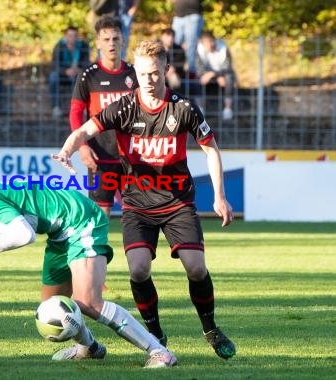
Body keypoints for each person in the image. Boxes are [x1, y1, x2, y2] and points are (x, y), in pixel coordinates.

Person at [52, 39, 237, 360]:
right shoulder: (124, 107)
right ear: (134, 72)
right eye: (142, 74)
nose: (148, 80)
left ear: (165, 70)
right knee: (138, 270)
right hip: (137, 206)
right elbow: (85, 130)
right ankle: (155, 333)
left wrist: (220, 196)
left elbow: (211, 149)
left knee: (196, 268)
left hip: (178, 203)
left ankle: (210, 328)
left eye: (154, 73)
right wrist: (68, 150)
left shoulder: (183, 107)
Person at [0, 186, 177, 368]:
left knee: (87, 301)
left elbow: (23, 234)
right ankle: (89, 348)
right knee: (52, 306)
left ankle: (159, 351)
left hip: (78, 220)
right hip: (58, 233)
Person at [70, 15, 137, 217]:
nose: (111, 44)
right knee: (100, 215)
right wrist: (82, 146)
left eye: (116, 39)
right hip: (100, 156)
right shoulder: (89, 75)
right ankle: (98, 250)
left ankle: (139, 250)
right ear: (98, 43)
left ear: (123, 40)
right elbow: (75, 113)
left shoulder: (136, 74)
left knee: (137, 215)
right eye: (106, 39)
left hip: (132, 157)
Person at [49, 26, 90, 119]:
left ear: (77, 37)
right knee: (53, 77)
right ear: (66, 36)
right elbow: (54, 64)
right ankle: (56, 107)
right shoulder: (59, 46)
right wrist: (65, 71)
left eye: (75, 35)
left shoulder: (83, 46)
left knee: (86, 78)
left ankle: (84, 108)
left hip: (78, 73)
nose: (72, 38)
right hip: (63, 74)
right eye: (70, 35)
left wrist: (79, 70)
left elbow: (87, 63)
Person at [196, 31, 236, 120]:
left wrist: (215, 74)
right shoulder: (199, 50)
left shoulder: (223, 48)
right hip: (207, 75)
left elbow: (228, 67)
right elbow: (199, 69)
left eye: (211, 41)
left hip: (222, 74)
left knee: (229, 78)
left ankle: (228, 108)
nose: (210, 44)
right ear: (202, 43)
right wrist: (210, 75)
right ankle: (200, 108)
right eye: (207, 42)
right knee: (198, 79)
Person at [169, 0, 204, 77]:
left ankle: (191, 77)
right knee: (173, 45)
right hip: (178, 16)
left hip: (193, 15)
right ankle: (172, 73)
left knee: (191, 48)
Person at [159, 27, 188, 92]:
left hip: (174, 73)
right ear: (162, 37)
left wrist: (171, 69)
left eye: (172, 36)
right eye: (168, 35)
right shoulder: (157, 48)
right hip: (160, 72)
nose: (170, 38)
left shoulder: (179, 49)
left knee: (174, 80)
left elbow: (180, 63)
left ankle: (175, 100)